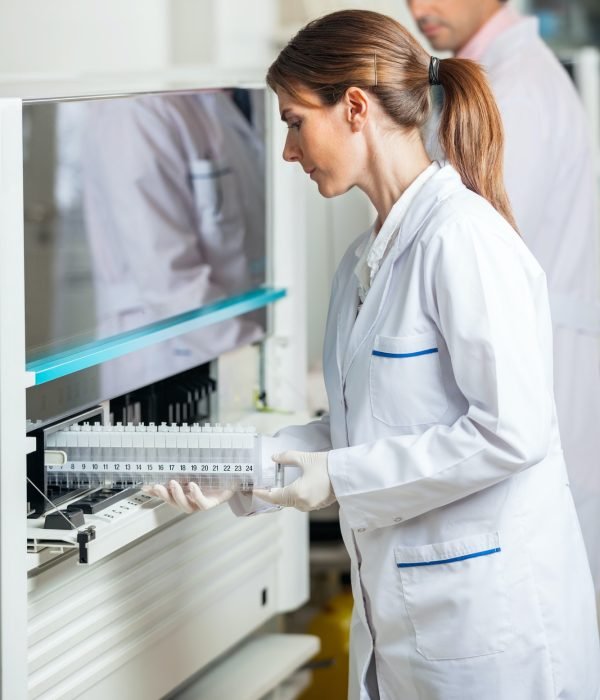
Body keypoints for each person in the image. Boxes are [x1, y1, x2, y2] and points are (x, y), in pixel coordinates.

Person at [146, 10, 600, 699]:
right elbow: (367, 428)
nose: (288, 151)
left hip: (489, 631)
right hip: (410, 622)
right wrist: (244, 469)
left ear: (354, 108)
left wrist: (336, 477)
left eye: (296, 122)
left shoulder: (463, 241)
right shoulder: (365, 260)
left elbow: (513, 431)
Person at [407, 0, 600, 595]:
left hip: (542, 372)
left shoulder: (512, 89)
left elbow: (472, 251)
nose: (420, 8)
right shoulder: (495, 76)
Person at [82, 90, 266, 398]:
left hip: (233, 340)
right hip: (167, 355)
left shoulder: (234, 95)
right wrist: (258, 360)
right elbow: (168, 280)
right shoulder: (134, 110)